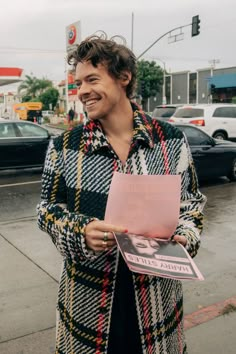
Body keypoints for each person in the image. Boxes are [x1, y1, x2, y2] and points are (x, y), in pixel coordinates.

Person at [37, 34, 206, 354]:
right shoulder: (64, 146)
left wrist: (186, 235)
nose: (82, 90)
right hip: (87, 306)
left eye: (92, 79)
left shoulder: (170, 140)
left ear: (123, 77)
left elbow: (191, 203)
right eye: (79, 82)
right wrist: (79, 231)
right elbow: (46, 209)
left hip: (156, 305)